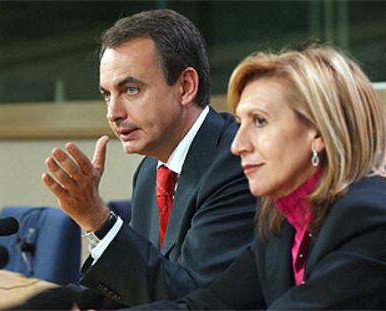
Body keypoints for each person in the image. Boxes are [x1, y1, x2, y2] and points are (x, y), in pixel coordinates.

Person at [130, 45, 386, 309]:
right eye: (241, 124)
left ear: (318, 132)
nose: (238, 145)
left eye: (260, 121)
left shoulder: (369, 218)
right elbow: (206, 306)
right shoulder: (281, 223)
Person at [41, 9, 256, 308]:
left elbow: (190, 300)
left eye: (130, 90)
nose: (113, 113)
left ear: (185, 87)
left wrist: (96, 219)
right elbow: (145, 286)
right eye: (107, 94)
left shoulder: (235, 162)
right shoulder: (149, 171)